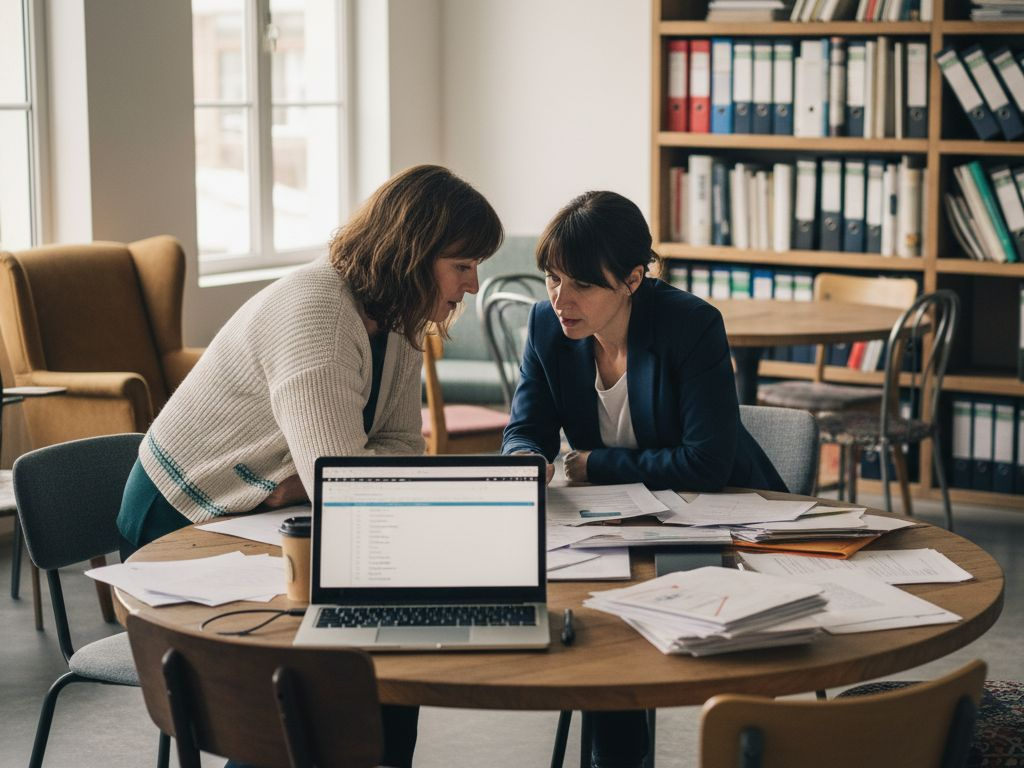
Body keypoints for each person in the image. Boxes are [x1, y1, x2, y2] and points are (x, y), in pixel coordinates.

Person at [116, 164, 504, 768]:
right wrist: (320, 479)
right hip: (184, 514)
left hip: (274, 506)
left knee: (389, 644)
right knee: (308, 671)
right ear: (413, 254)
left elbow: (401, 453)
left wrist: (310, 480)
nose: (474, 286)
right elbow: (347, 487)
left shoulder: (398, 320)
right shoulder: (318, 314)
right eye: (463, 265)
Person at [501, 190, 785, 768]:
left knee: (635, 632)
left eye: (580, 284)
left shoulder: (691, 325)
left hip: (715, 518)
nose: (560, 298)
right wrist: (528, 461)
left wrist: (593, 464)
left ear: (633, 279)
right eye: (552, 278)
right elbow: (525, 427)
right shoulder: (546, 324)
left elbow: (705, 461)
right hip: (612, 525)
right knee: (595, 626)